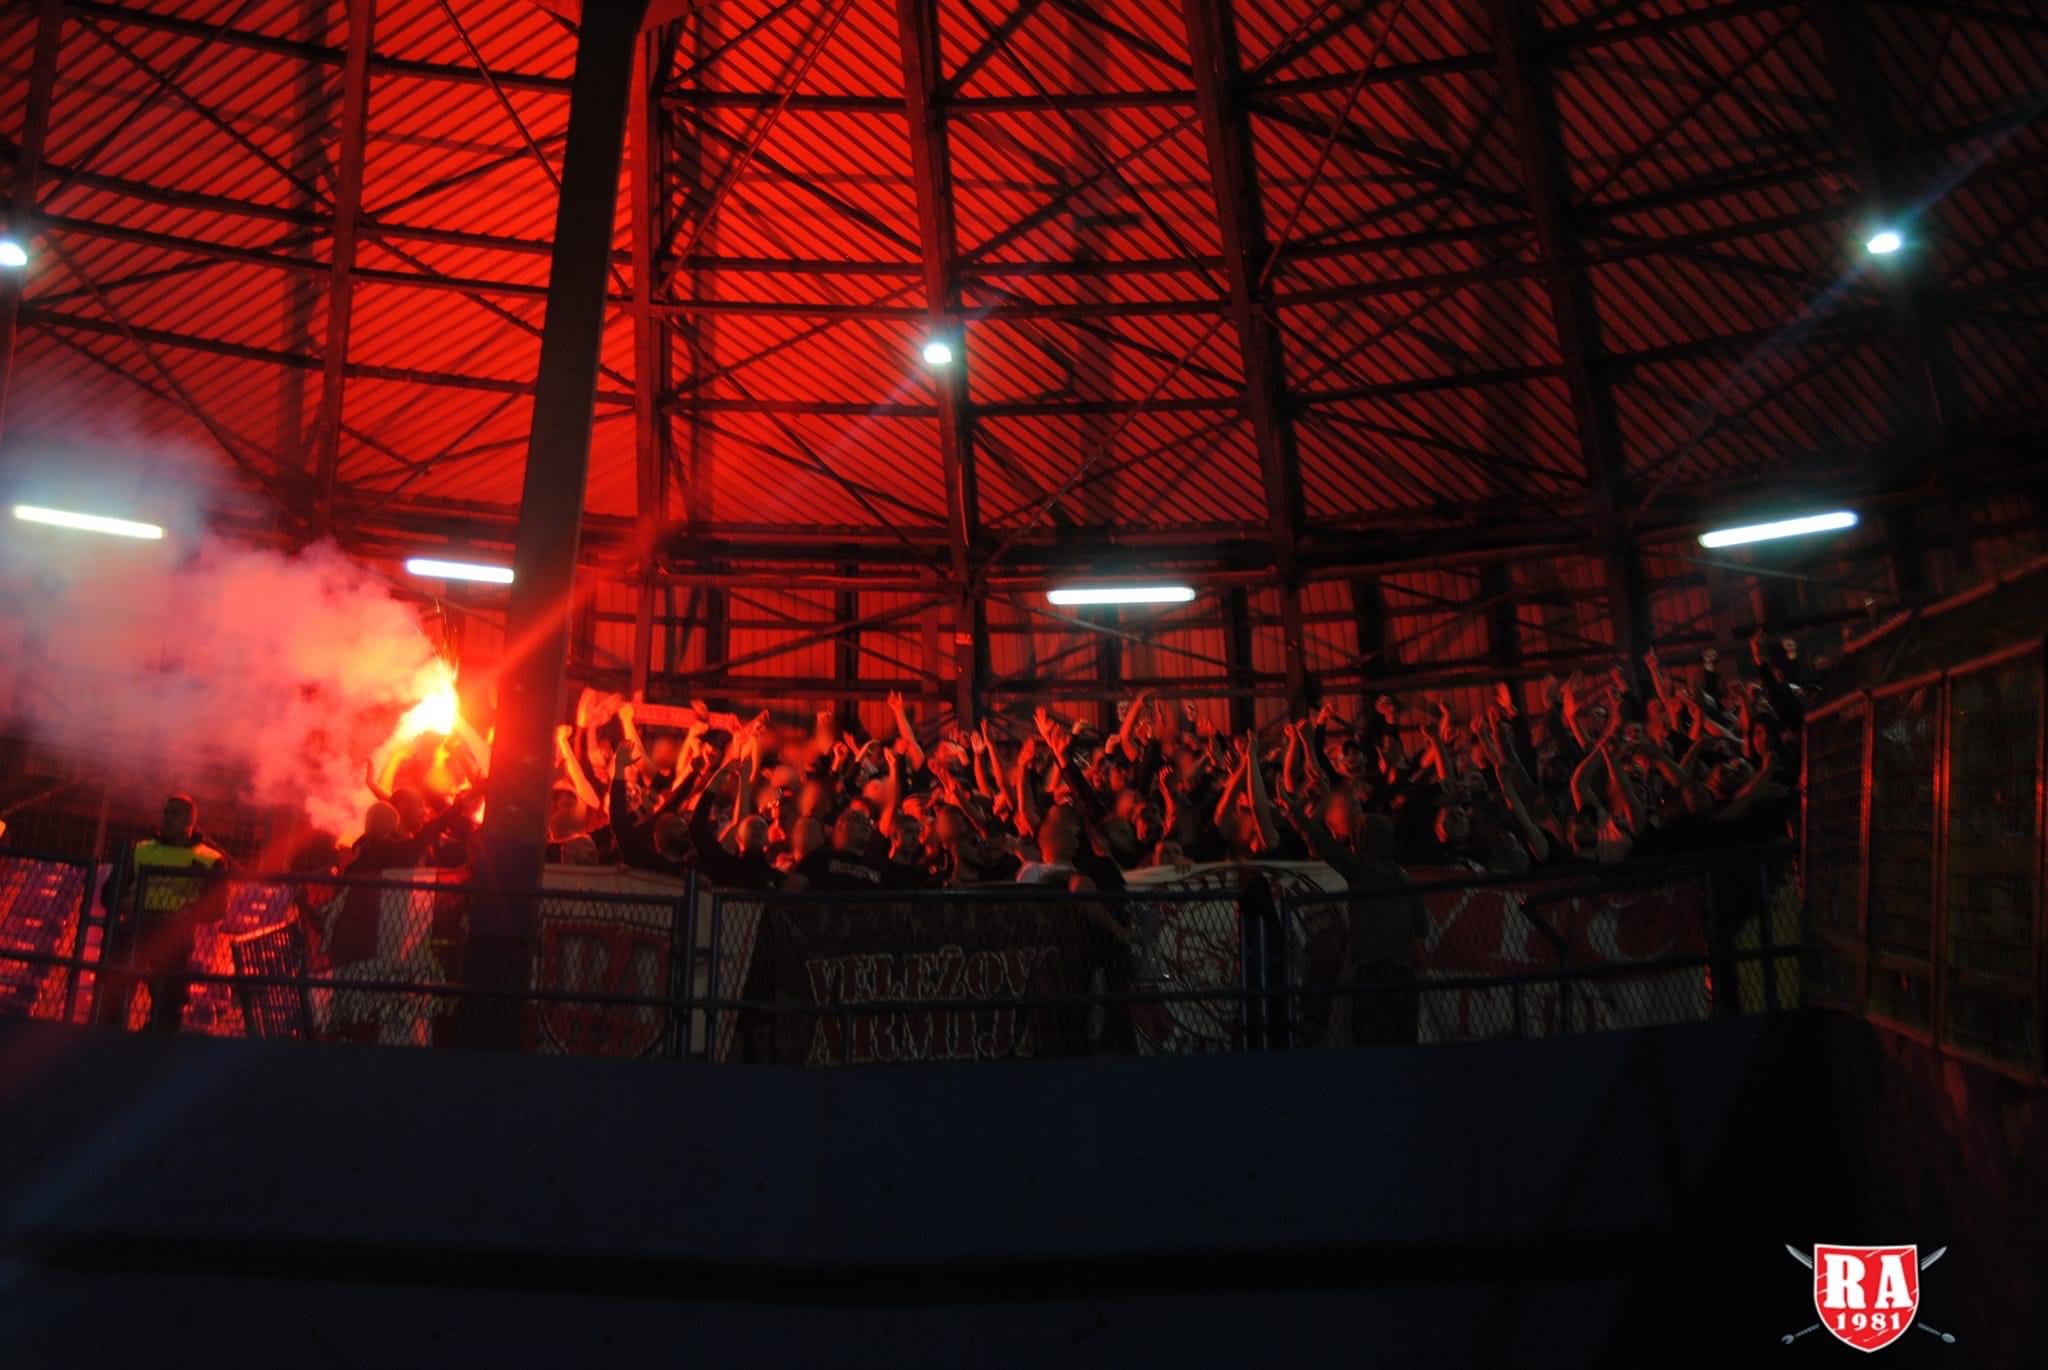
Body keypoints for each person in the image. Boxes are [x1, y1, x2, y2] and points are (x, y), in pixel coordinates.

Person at [97, 794, 230, 1033]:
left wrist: (187, 913)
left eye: (175, 814)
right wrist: (123, 902)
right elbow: (109, 895)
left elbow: (217, 907)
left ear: (190, 821)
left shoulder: (210, 860)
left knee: (169, 999)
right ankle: (109, 1036)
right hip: (136, 928)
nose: (167, 818)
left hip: (174, 935)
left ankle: (157, 1037)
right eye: (166, 812)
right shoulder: (139, 850)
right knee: (113, 992)